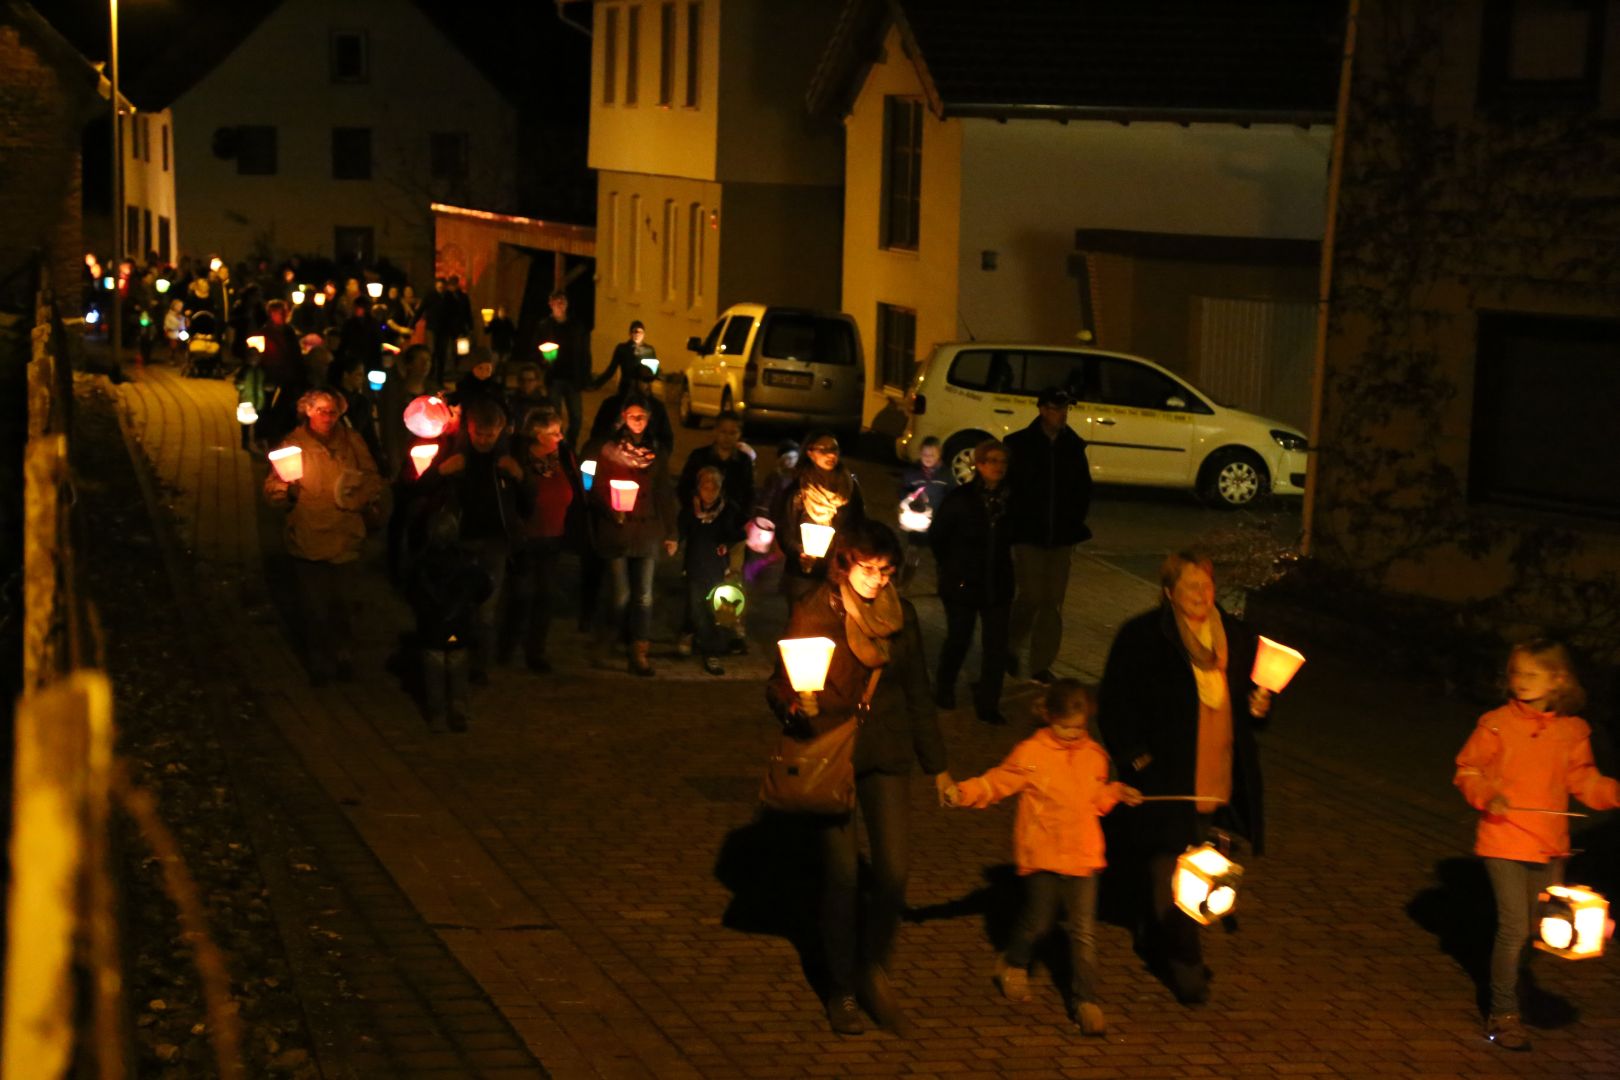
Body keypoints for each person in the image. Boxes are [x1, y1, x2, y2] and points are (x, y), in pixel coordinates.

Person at [765, 520, 952, 1036]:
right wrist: (796, 707)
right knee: (843, 878)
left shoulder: (902, 616)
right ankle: (842, 988)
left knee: (893, 873)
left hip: (887, 753)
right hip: (832, 753)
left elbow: (918, 692)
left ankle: (873, 969)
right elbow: (779, 683)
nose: (877, 580)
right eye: (868, 569)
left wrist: (937, 766)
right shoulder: (815, 610)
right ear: (845, 564)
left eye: (887, 571)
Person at [1096, 549, 1272, 1005]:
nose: (1200, 594)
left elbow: (1251, 699)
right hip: (1167, 781)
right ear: (1170, 592)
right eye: (1190, 586)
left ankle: (1160, 931)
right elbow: (1115, 703)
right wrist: (1137, 759)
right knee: (1171, 872)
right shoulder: (1143, 637)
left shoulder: (1234, 636)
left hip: (1219, 779)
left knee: (1204, 867)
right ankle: (1184, 961)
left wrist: (1260, 708)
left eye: (1206, 585)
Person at [944, 680, 1142, 1035]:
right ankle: (1014, 961)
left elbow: (1094, 797)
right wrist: (965, 792)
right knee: (1039, 921)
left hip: (1083, 855)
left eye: (1079, 727)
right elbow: (998, 782)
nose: (1071, 734)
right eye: (1065, 726)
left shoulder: (1095, 755)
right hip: (1043, 853)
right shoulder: (1031, 754)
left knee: (1083, 931)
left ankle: (1086, 1000)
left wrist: (1115, 792)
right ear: (1050, 716)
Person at [1453, 639, 1620, 1052]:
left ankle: (1510, 986)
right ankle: (1504, 1012)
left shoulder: (1572, 730)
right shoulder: (1496, 723)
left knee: (1533, 930)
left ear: (1558, 679)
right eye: (1516, 673)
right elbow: (1467, 769)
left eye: (1532, 674)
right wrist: (1486, 793)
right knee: (1513, 929)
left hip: (1549, 844)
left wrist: (1613, 791)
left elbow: (1583, 780)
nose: (1521, 682)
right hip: (1503, 838)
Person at [262, 389, 384, 685]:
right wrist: (285, 493)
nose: (327, 417)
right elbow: (272, 489)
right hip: (309, 538)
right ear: (307, 411)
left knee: (343, 604)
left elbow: (371, 477)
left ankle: (344, 656)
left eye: (332, 412)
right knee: (315, 609)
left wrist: (360, 497)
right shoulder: (293, 446)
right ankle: (320, 663)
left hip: (346, 535)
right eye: (320, 411)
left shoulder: (351, 442)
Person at [430, 396, 527, 684]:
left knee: (486, 610)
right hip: (461, 543)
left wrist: (520, 477)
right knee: (460, 605)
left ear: (500, 432)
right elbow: (419, 490)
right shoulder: (455, 455)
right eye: (478, 434)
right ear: (468, 431)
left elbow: (527, 505)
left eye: (490, 435)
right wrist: (440, 472)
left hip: (495, 543)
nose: (483, 440)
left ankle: (479, 665)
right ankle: (454, 655)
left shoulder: (507, 460)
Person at [1005, 387, 1093, 684]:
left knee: (1053, 602)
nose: (1063, 414)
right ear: (1042, 410)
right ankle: (1010, 644)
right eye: (1057, 408)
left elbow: (1083, 488)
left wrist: (1073, 521)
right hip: (1028, 533)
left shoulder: (1073, 446)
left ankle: (1041, 663)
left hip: (1061, 536)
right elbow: (1010, 489)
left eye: (1066, 408)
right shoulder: (1019, 444)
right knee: (1031, 595)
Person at [585, 395, 678, 676]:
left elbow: (663, 492)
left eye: (643, 417)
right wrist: (610, 509)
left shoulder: (656, 453)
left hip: (647, 531)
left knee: (644, 596)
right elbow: (597, 486)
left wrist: (671, 531)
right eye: (632, 416)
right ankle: (609, 638)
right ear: (622, 418)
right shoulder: (609, 450)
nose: (638, 422)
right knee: (621, 594)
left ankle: (639, 651)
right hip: (618, 530)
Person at [931, 439, 1015, 725]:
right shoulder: (961, 499)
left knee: (996, 645)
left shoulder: (1010, 499)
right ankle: (945, 686)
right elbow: (939, 537)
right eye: (992, 461)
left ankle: (988, 702)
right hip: (963, 582)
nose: (998, 467)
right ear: (978, 465)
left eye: (1002, 461)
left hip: (998, 583)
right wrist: (951, 569)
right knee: (959, 638)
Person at [502, 407, 584, 673]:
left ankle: (535, 651)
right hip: (526, 538)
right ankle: (506, 646)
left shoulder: (562, 457)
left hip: (553, 538)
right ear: (537, 436)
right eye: (554, 433)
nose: (561, 437)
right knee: (521, 595)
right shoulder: (518, 462)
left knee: (545, 596)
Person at [407, 506, 494, 732]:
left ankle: (436, 714)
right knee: (458, 666)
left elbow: (411, 592)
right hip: (459, 626)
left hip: (432, 628)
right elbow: (484, 587)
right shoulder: (466, 563)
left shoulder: (421, 563)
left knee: (434, 669)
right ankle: (458, 710)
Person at [770, 430, 865, 606]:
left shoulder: (849, 487)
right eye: (823, 449)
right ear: (810, 453)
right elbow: (784, 527)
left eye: (834, 448)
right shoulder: (798, 488)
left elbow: (858, 524)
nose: (830, 454)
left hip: (838, 569)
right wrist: (799, 552)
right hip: (803, 572)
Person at [678, 466, 747, 675]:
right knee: (696, 606)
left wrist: (728, 543)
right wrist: (672, 541)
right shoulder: (690, 509)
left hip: (719, 567)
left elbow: (739, 533)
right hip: (696, 564)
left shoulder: (729, 509)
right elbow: (681, 531)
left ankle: (712, 651)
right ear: (698, 488)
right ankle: (694, 637)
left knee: (717, 609)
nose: (710, 491)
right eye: (705, 486)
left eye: (714, 486)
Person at [535, 290, 593, 447]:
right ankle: (557, 446)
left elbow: (584, 352)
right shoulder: (545, 326)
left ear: (566, 304)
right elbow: (538, 348)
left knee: (576, 417)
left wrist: (585, 375)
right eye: (556, 302)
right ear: (550, 304)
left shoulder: (576, 326)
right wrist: (545, 360)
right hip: (554, 377)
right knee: (555, 416)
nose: (559, 305)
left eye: (562, 302)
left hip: (573, 377)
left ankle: (570, 444)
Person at [589, 362, 676, 456]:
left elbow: (667, 441)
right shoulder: (612, 405)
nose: (649, 385)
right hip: (615, 459)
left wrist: (653, 451)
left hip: (646, 462)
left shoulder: (657, 408)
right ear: (633, 381)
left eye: (650, 381)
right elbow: (596, 436)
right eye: (645, 381)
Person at [897, 435, 951, 584]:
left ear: (939, 454)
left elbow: (952, 494)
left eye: (932, 455)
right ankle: (905, 582)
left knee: (941, 554)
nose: (928, 458)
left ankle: (944, 583)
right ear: (920, 453)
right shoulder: (912, 473)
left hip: (937, 522)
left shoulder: (946, 475)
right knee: (913, 551)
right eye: (925, 454)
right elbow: (902, 490)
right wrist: (908, 496)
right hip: (917, 521)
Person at [677, 410, 754, 509]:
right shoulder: (699, 457)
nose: (727, 437)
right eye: (723, 432)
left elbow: (748, 493)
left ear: (739, 434)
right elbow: (684, 487)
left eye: (732, 433)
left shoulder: (744, 461)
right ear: (715, 431)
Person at [592, 319, 655, 396]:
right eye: (635, 331)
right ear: (630, 333)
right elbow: (611, 369)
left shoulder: (649, 350)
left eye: (640, 332)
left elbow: (654, 371)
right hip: (626, 390)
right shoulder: (622, 349)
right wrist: (597, 384)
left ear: (644, 334)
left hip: (643, 391)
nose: (637, 334)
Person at [448, 347, 507, 415]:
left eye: (487, 369)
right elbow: (456, 401)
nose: (484, 372)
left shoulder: (495, 389)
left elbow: (503, 407)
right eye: (480, 368)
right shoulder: (465, 386)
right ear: (472, 368)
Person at [486, 304, 516, 370]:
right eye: (501, 311)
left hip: (505, 346)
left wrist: (512, 343)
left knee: (504, 365)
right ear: (498, 312)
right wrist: (487, 324)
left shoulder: (508, 323)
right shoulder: (494, 322)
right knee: (494, 363)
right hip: (496, 346)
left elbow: (513, 334)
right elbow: (487, 331)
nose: (502, 313)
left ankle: (502, 378)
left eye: (503, 311)